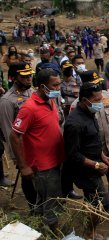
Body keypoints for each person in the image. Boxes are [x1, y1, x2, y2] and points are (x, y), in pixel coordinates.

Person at [70, 70, 109, 219]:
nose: (99, 87)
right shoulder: (77, 106)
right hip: (91, 152)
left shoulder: (106, 96)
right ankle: (94, 214)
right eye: (94, 85)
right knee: (92, 187)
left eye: (99, 83)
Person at [10, 68, 64, 233]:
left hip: (55, 160)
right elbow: (14, 135)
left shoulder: (50, 101)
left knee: (45, 200)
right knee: (52, 200)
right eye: (54, 86)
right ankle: (52, 231)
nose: (58, 89)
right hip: (43, 166)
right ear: (42, 87)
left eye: (59, 85)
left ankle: (39, 227)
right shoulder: (29, 108)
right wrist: (23, 165)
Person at [64, 80, 109, 239]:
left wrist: (102, 156)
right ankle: (89, 232)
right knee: (102, 203)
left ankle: (89, 231)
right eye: (97, 100)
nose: (100, 103)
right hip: (85, 171)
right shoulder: (74, 123)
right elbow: (73, 155)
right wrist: (96, 165)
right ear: (85, 100)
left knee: (94, 201)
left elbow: (92, 141)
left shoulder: (90, 113)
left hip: (94, 165)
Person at [0, 63, 35, 203]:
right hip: (22, 146)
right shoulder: (7, 101)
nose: (28, 79)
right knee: (28, 177)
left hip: (36, 143)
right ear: (14, 78)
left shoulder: (32, 92)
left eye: (30, 75)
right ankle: (34, 206)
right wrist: (18, 159)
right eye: (24, 76)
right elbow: (8, 131)